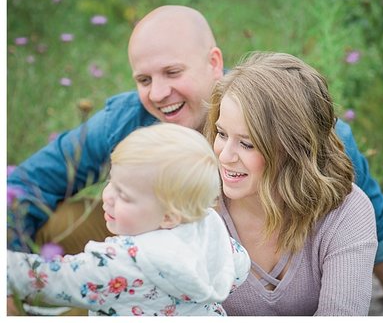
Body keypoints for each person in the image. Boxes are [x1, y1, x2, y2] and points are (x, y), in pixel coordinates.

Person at [6, 5, 383, 316]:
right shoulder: (129, 121)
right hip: (151, 261)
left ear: (213, 63)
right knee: (60, 223)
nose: (157, 93)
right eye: (144, 79)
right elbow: (23, 187)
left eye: (172, 73)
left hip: (313, 269)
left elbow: (376, 230)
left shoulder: (319, 142)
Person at [7, 123, 251, 316]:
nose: (108, 197)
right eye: (111, 181)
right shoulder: (209, 230)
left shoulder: (124, 262)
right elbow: (239, 268)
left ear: (169, 216)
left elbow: (53, 279)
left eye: (123, 194)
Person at [206, 52, 376, 315]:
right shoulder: (197, 206)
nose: (225, 156)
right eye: (222, 134)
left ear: (294, 148)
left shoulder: (345, 212)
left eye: (247, 143)